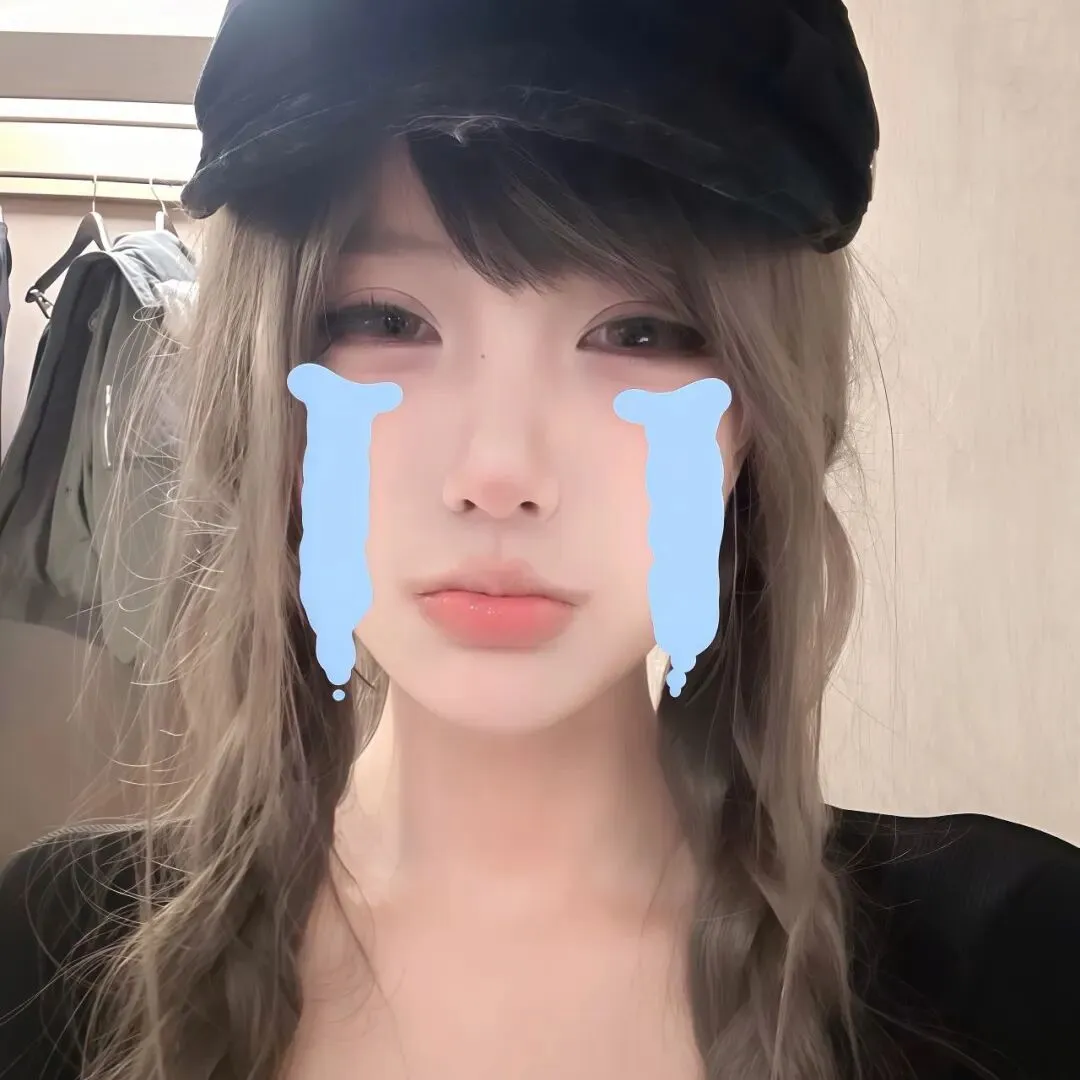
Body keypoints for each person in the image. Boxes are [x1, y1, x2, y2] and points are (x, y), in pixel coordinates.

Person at [1, 1, 1078, 1079]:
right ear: (267, 384)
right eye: (386, 320)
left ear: (756, 417)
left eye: (638, 331)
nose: (499, 473)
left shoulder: (1015, 971)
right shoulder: (47, 958)